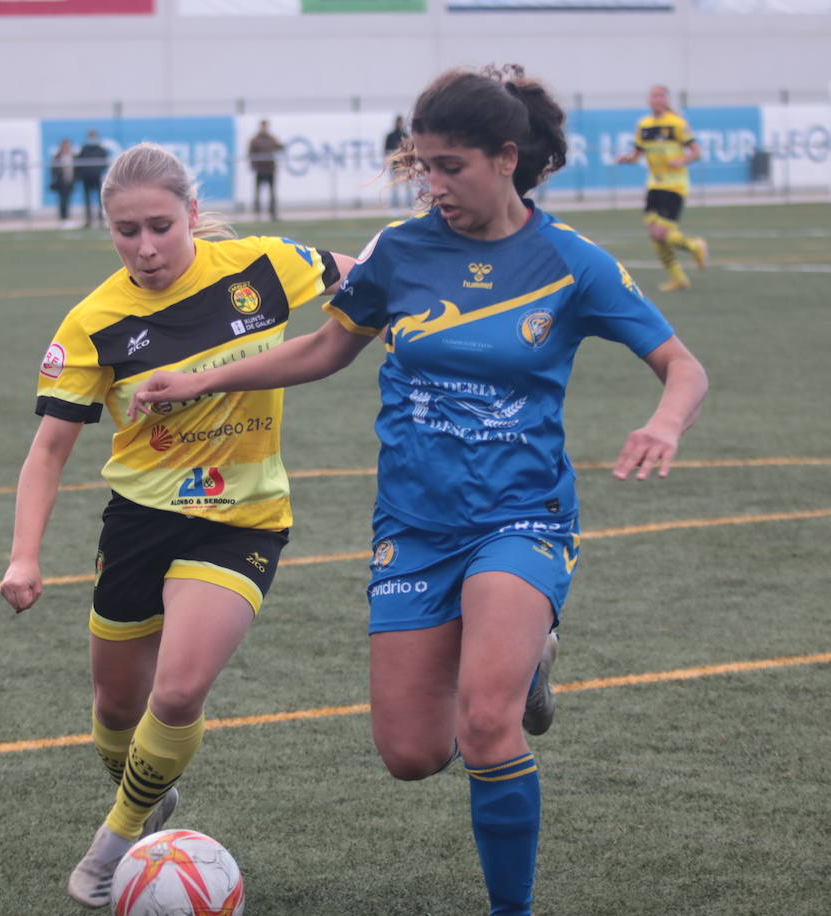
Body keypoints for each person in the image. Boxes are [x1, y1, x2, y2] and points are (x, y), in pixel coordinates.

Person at [131, 64, 709, 916]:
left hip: (523, 517)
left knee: (485, 724)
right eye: (423, 167)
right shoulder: (399, 252)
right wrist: (203, 379)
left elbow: (683, 368)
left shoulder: (570, 262)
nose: (433, 186)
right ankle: (530, 666)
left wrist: (664, 422)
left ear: (506, 158)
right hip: (414, 524)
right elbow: (325, 349)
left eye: (451, 167)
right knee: (410, 753)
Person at [0, 141, 357, 908]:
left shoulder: (261, 269)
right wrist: (24, 556)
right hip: (139, 521)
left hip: (244, 518)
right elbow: (48, 451)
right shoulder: (95, 321)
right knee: (116, 711)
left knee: (180, 690)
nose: (146, 247)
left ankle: (109, 849)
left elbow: (364, 278)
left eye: (161, 225)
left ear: (193, 214)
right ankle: (146, 798)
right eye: (127, 232)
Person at [616, 85, 709, 292]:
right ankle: (679, 279)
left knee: (663, 233)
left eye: (660, 96)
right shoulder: (644, 125)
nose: (656, 100)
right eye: (653, 96)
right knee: (653, 233)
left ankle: (696, 246)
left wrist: (682, 160)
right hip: (654, 184)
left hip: (675, 185)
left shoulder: (676, 123)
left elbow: (696, 152)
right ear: (649, 100)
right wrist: (627, 159)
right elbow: (637, 154)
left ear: (666, 100)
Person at [247, 119, 284, 220]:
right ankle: (257, 214)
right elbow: (250, 153)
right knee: (258, 193)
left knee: (272, 193)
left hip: (270, 169)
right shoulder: (255, 140)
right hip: (260, 170)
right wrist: (254, 166)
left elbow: (278, 147)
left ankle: (273, 213)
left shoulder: (271, 139)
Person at [75, 130, 109, 228]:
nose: (92, 138)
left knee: (100, 200)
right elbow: (79, 163)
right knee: (87, 200)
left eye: (93, 136)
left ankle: (101, 219)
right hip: (86, 178)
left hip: (97, 178)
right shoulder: (84, 149)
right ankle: (88, 220)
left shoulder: (101, 149)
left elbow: (104, 163)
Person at [383, 114, 410, 210]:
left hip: (405, 165)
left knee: (408, 187)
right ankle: (395, 207)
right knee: (394, 187)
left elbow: (410, 150)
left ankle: (409, 206)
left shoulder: (405, 135)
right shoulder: (390, 136)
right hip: (394, 165)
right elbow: (386, 150)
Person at [50, 138, 77, 225]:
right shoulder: (57, 156)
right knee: (62, 201)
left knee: (68, 200)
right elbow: (54, 170)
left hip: (70, 181)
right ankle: (63, 219)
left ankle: (67, 219)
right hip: (61, 182)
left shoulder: (72, 156)